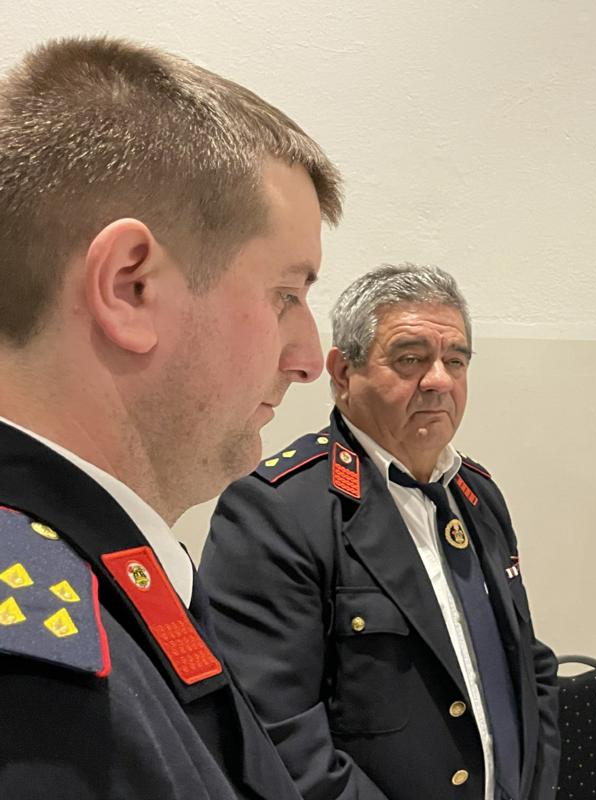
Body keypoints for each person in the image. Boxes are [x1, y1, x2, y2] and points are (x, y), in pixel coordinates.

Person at [0, 37, 342, 799]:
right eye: (286, 295)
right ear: (130, 288)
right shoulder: (36, 689)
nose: (308, 358)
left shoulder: (104, 581)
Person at [200, 263, 561, 800]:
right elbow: (277, 739)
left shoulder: (478, 494)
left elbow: (527, 665)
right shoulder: (277, 510)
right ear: (343, 373)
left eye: (455, 361)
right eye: (411, 359)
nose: (439, 381)